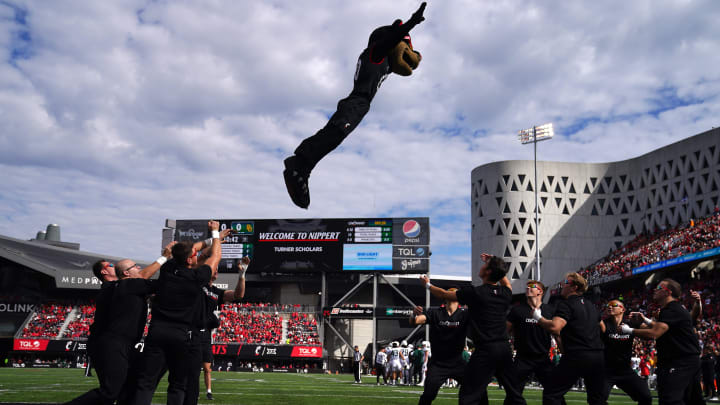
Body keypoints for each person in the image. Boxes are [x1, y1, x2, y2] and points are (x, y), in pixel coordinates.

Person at [283, 2, 426, 208]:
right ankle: (300, 164)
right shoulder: (374, 53)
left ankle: (304, 166)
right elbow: (392, 39)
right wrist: (411, 22)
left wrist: (414, 50)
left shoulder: (383, 60)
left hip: (360, 105)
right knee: (333, 134)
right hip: (357, 101)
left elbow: (412, 58)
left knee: (334, 136)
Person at [65, 243, 173, 405]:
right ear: (104, 272)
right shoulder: (118, 286)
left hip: (121, 343)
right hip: (111, 343)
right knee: (110, 392)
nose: (113, 265)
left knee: (130, 386)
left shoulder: (119, 287)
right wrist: (165, 257)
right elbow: (142, 278)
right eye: (110, 265)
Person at [132, 221, 223, 405]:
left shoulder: (167, 269)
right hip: (181, 336)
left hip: (156, 332)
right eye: (194, 255)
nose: (197, 255)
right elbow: (215, 257)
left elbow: (190, 250)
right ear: (190, 260)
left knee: (146, 383)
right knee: (177, 385)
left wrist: (169, 254)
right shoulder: (197, 278)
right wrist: (215, 234)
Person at [421, 253, 523, 405]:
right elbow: (507, 283)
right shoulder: (505, 294)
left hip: (486, 350)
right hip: (504, 349)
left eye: (485, 265)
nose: (481, 266)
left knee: (469, 396)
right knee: (514, 393)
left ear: (488, 272)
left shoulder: (476, 293)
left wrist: (427, 285)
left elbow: (443, 294)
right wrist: (495, 262)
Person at [624, 279, 704, 405]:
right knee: (693, 400)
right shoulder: (673, 310)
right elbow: (662, 328)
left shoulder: (671, 310)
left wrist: (628, 330)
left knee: (670, 400)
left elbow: (654, 333)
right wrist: (643, 321)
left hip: (679, 362)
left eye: (659, 288)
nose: (655, 290)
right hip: (687, 361)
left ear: (668, 292)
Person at [184, 256, 249, 404]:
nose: (216, 272)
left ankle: (206, 391)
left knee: (207, 368)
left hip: (206, 335)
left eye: (217, 270)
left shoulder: (216, 291)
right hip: (192, 331)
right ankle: (189, 394)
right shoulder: (198, 284)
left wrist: (242, 275)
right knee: (191, 370)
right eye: (214, 269)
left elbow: (239, 295)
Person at [534, 272, 606, 405]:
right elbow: (603, 329)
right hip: (597, 355)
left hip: (577, 354)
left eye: (566, 283)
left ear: (574, 287)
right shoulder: (592, 306)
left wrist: (538, 318)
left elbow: (555, 327)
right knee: (597, 399)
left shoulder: (566, 304)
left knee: (552, 393)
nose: (562, 284)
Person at [505, 280, 566, 405]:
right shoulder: (517, 310)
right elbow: (505, 331)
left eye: (532, 286)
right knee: (513, 392)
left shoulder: (549, 310)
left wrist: (565, 352)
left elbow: (557, 333)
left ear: (540, 291)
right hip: (522, 359)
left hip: (543, 358)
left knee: (554, 391)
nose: (528, 288)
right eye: (527, 286)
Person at [410, 287, 470, 405]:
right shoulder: (435, 312)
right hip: (438, 364)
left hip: (458, 362)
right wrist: (413, 314)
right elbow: (415, 321)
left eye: (455, 293)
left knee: (476, 390)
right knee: (428, 394)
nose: (452, 295)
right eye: (451, 292)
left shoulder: (465, 314)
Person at [598, 299, 652, 405]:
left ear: (622, 309)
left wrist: (644, 320)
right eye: (608, 305)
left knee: (646, 397)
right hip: (606, 371)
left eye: (614, 305)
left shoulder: (630, 323)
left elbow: (652, 333)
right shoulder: (604, 324)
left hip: (625, 370)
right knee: (597, 399)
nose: (609, 307)